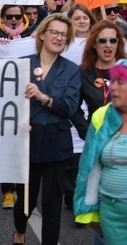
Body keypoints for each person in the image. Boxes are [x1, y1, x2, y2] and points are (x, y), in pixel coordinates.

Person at [14, 13, 80, 245]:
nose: (59, 37)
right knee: (25, 201)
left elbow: (70, 107)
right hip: (28, 142)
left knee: (52, 205)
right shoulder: (22, 64)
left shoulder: (72, 70)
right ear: (42, 34)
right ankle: (19, 231)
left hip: (57, 145)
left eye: (64, 35)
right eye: (54, 32)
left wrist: (43, 97)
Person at [67, 22, 125, 216]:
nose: (108, 45)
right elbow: (74, 108)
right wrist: (88, 133)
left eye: (112, 40)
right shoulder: (83, 72)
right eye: (102, 40)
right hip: (100, 145)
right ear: (94, 44)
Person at [74, 58, 127, 244]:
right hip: (109, 213)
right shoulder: (102, 116)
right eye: (112, 81)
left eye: (120, 82)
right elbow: (89, 167)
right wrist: (90, 212)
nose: (113, 87)